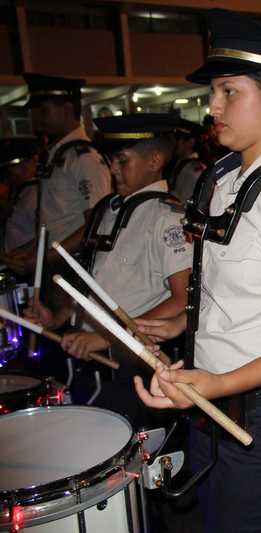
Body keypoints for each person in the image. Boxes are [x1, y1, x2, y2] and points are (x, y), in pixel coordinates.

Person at [132, 9, 261, 533]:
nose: (213, 106)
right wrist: (175, 325)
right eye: (213, 92)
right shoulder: (225, 179)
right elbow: (229, 294)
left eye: (229, 91)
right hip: (211, 408)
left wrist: (219, 382)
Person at [26, 114, 192, 428]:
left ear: (154, 161)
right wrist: (58, 319)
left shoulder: (168, 217)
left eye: (122, 160)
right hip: (87, 359)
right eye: (112, 160)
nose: (113, 168)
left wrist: (105, 336)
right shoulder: (108, 209)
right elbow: (96, 283)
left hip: (129, 368)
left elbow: (182, 299)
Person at [3, 74, 112, 274]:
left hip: (75, 267)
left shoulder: (84, 158)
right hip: (55, 264)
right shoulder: (58, 154)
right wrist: (25, 253)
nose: (36, 118)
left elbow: (98, 223)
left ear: (67, 109)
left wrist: (43, 259)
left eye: (43, 110)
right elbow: (56, 226)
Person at [0, 137, 41, 254]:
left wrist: (15, 256)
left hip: (26, 260)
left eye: (14, 167)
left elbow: (47, 235)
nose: (9, 173)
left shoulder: (37, 193)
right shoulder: (18, 189)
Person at [170, 119, 208, 203]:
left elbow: (183, 202)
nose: (174, 142)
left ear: (191, 142)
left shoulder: (194, 170)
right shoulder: (180, 162)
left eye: (178, 138)